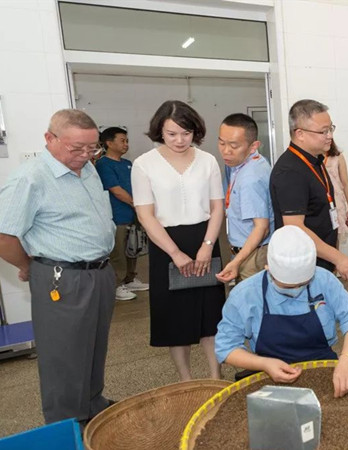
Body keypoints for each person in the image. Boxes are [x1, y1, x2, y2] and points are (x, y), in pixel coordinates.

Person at [0, 109, 116, 425]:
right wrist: (29, 266)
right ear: (49, 139)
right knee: (64, 357)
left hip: (100, 273)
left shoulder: (88, 169)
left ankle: (93, 405)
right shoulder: (30, 178)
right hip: (62, 278)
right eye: (75, 148)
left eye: (92, 148)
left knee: (93, 346)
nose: (85, 155)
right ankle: (66, 424)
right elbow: (4, 236)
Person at [215, 225, 348, 397]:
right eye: (288, 285)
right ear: (269, 268)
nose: (296, 290)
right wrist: (265, 364)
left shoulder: (324, 280)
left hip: (324, 367)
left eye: (302, 284)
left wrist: (346, 360)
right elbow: (226, 347)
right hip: (269, 374)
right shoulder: (246, 294)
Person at [132, 100, 226, 381]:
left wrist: (207, 246)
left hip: (204, 239)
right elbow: (146, 215)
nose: (180, 140)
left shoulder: (207, 160)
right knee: (175, 319)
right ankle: (185, 381)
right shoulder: (144, 164)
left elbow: (217, 207)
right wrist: (175, 252)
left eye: (186, 133)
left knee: (211, 316)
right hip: (165, 244)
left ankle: (215, 377)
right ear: (159, 131)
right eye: (172, 133)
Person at [270, 99, 348, 284]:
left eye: (330, 129)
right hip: (303, 267)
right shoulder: (291, 171)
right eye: (323, 131)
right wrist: (339, 258)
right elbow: (295, 227)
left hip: (320, 260)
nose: (329, 136)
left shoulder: (315, 160)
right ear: (300, 134)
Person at [215, 113, 274, 283]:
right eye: (221, 143)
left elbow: (262, 228)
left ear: (253, 146)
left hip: (252, 255)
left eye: (234, 145)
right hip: (247, 250)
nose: (226, 151)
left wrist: (237, 262)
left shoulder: (250, 179)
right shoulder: (241, 162)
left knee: (252, 304)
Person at [96, 126, 149, 301]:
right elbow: (116, 190)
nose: (126, 144)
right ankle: (117, 285)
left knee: (132, 248)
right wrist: (136, 204)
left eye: (127, 141)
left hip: (133, 214)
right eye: (122, 141)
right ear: (109, 143)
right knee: (118, 251)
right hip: (117, 215)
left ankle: (130, 278)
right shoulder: (104, 164)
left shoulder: (127, 164)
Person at [324, 140, 348, 245]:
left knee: (335, 239)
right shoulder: (311, 156)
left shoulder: (337, 156)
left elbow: (346, 184)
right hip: (319, 204)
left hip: (336, 204)